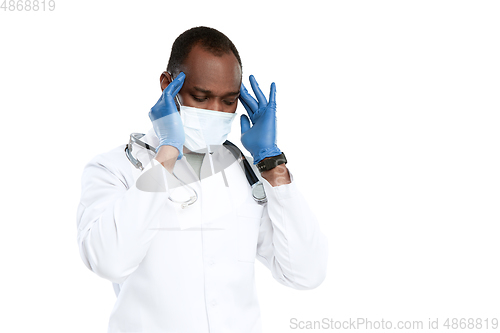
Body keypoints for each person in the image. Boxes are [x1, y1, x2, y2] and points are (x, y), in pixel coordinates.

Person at [76, 26, 328, 333]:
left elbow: (305, 273)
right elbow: (109, 262)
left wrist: (272, 164)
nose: (215, 111)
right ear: (168, 85)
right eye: (201, 96)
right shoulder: (115, 168)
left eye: (228, 101)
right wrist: (166, 154)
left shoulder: (246, 173)